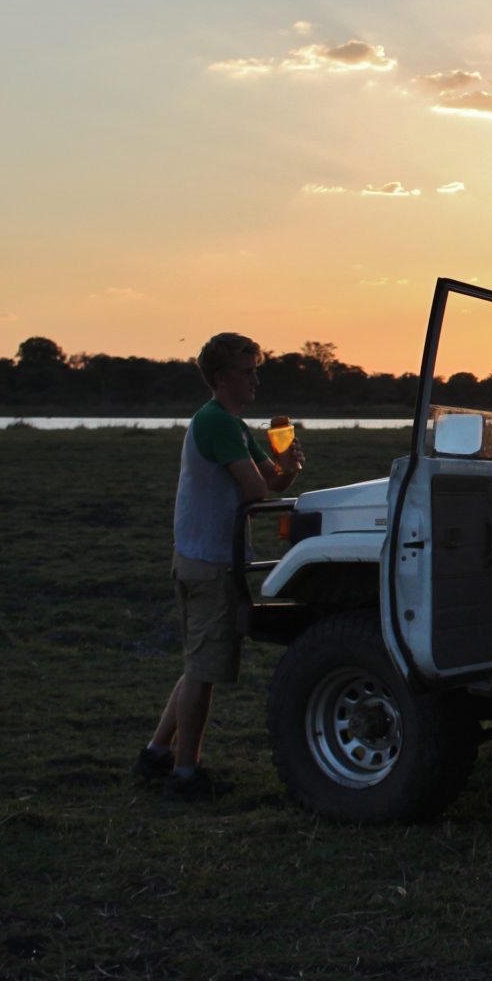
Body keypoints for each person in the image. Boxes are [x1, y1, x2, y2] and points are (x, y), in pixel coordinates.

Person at [134, 332, 304, 800]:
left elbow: (272, 479)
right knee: (204, 671)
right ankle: (185, 774)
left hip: (201, 558)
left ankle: (156, 753)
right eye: (247, 371)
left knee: (197, 665)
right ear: (220, 377)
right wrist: (273, 478)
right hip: (208, 564)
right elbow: (255, 492)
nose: (256, 379)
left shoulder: (231, 425)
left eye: (256, 369)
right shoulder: (218, 424)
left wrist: (288, 465)